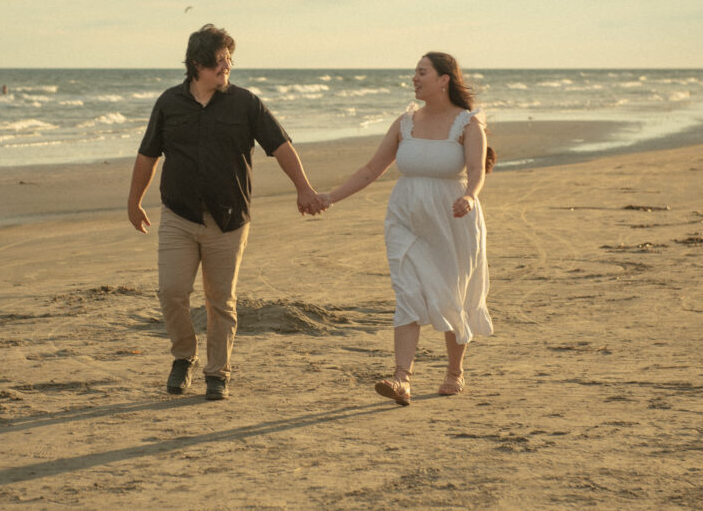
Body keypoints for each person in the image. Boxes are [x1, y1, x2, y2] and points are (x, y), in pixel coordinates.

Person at [128, 24, 326, 400]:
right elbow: (148, 154)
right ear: (198, 65)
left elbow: (280, 145)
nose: (227, 67)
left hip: (229, 220)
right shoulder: (169, 104)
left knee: (221, 302)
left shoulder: (245, 103)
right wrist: (133, 200)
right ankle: (184, 356)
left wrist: (304, 188)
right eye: (219, 61)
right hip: (179, 217)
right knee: (172, 292)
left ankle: (217, 373)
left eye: (229, 60)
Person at [319, 52, 496, 406]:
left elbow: (476, 170)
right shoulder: (405, 122)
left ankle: (454, 372)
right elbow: (371, 170)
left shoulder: (468, 123)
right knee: (407, 292)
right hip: (406, 220)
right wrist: (330, 198)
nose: (414, 78)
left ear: (444, 79)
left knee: (453, 292)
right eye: (415, 73)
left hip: (453, 220)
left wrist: (470, 197)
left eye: (422, 72)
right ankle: (402, 379)